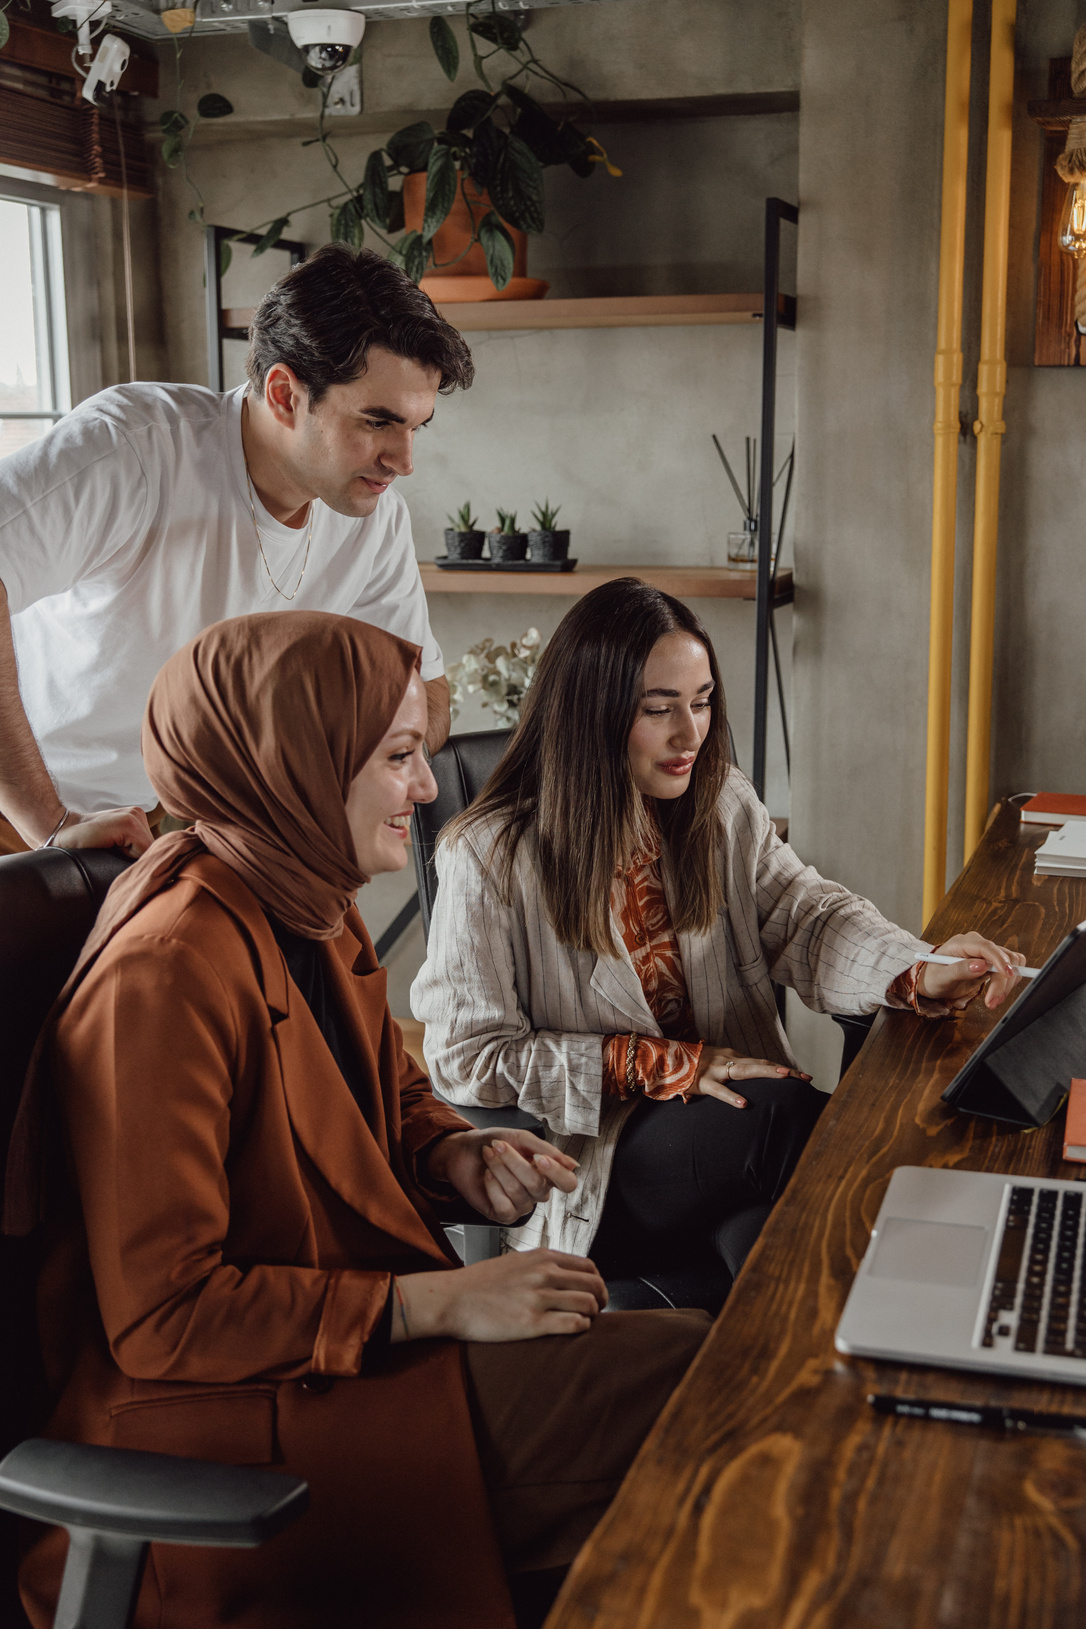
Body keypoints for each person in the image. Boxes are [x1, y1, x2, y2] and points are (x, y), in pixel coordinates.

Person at [12, 610, 708, 1629]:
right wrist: (437, 1306)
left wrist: (454, 1154)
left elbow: (387, 1091)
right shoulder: (165, 974)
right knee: (709, 1388)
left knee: (707, 1365)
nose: (427, 790)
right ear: (293, 765)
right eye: (398, 758)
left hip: (334, 1361)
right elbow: (164, 1319)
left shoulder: (302, 902)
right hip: (223, 1423)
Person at [410, 579, 1025, 1284]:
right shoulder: (486, 854)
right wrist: (662, 1064)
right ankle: (989, 1269)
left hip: (734, 1147)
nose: (690, 734)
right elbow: (468, 1057)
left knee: (771, 1249)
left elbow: (807, 916)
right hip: (604, 1162)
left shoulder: (718, 800)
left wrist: (918, 967)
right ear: (594, 713)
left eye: (701, 703)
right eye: (658, 710)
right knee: (798, 1123)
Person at [0, 243, 471, 860]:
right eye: (376, 422)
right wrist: (50, 824)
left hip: (151, 826)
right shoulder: (133, 448)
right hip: (23, 811)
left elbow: (426, 697)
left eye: (415, 427)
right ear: (284, 394)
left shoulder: (375, 521)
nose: (403, 461)